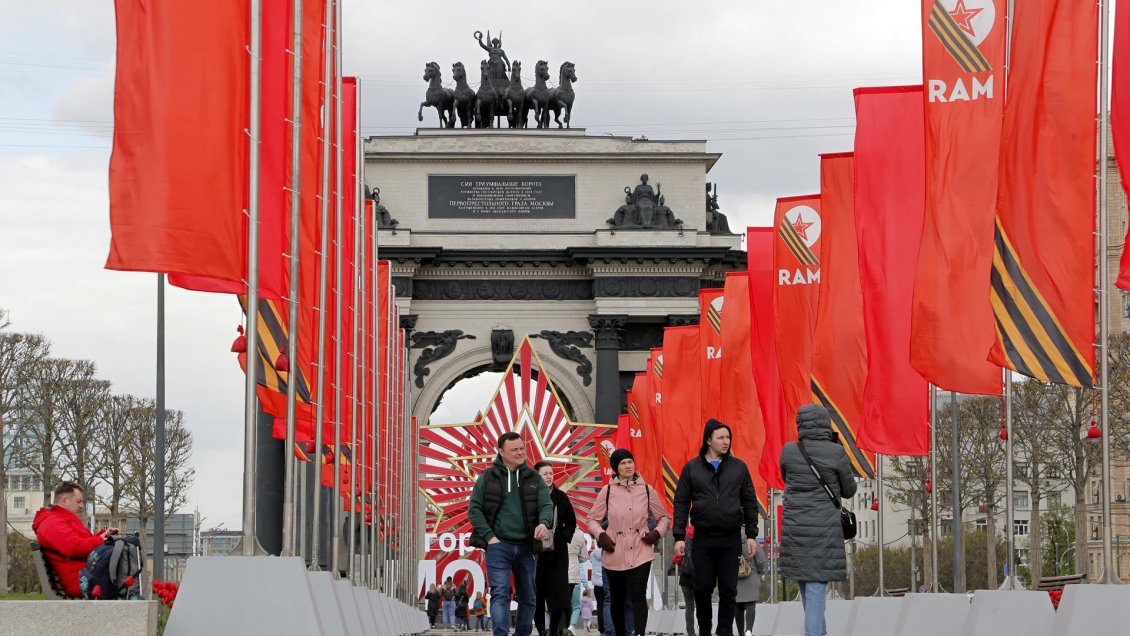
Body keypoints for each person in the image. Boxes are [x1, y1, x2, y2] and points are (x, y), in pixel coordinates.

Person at [673, 419, 761, 636]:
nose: (726, 442)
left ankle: (724, 632)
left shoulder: (739, 468)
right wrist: (679, 536)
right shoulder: (692, 468)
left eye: (728, 437)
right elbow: (681, 502)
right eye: (721, 437)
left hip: (730, 537)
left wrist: (751, 533)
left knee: (729, 590)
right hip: (703, 538)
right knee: (702, 588)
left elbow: (749, 500)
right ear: (708, 440)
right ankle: (704, 629)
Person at [779, 404, 857, 636]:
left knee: (807, 584)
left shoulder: (789, 451)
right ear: (825, 424)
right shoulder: (835, 452)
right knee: (815, 587)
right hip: (823, 529)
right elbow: (849, 490)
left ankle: (819, 633)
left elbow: (786, 477)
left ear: (800, 424)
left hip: (795, 528)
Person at [468, 432, 553, 636]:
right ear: (501, 452)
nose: (520, 452)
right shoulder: (487, 477)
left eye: (521, 448)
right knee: (499, 594)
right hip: (498, 546)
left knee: (529, 597)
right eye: (514, 449)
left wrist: (544, 523)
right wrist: (490, 537)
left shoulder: (534, 477)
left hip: (527, 546)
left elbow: (546, 505)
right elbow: (474, 510)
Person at [585, 449, 669, 636]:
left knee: (638, 594)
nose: (628, 466)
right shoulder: (608, 491)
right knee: (617, 597)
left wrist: (656, 533)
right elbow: (591, 520)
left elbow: (664, 517)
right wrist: (602, 536)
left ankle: (639, 633)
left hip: (641, 549)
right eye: (623, 463)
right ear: (616, 468)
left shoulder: (647, 490)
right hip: (615, 550)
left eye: (630, 461)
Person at [32, 481, 118, 598]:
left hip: (83, 573)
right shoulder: (52, 522)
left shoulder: (61, 519)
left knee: (123, 553)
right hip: (79, 579)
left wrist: (103, 535)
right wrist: (100, 541)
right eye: (79, 501)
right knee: (123, 560)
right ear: (64, 500)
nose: (82, 505)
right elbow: (74, 547)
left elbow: (82, 542)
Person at [533, 461, 576, 636]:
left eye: (551, 473)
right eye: (545, 474)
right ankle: (541, 629)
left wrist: (562, 537)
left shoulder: (561, 496)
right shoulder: (530, 496)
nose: (549, 476)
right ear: (537, 476)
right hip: (535, 551)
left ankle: (553, 629)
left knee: (558, 592)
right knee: (537, 592)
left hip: (557, 552)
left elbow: (571, 523)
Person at [734, 540, 769, 636]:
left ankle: (740, 633)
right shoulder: (752, 541)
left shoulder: (730, 538)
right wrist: (758, 570)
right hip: (751, 576)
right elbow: (761, 560)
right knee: (750, 605)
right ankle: (748, 631)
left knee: (738, 606)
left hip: (735, 578)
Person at [673, 525, 696, 636]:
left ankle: (691, 633)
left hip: (686, 576)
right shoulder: (705, 533)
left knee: (689, 606)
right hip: (701, 576)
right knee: (703, 605)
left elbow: (677, 558)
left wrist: (683, 566)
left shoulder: (685, 535)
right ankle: (705, 630)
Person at [567, 528, 589, 634]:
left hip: (559, 577)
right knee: (575, 606)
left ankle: (561, 627)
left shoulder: (556, 530)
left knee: (562, 604)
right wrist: (576, 557)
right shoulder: (579, 534)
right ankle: (572, 626)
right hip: (574, 576)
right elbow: (584, 557)